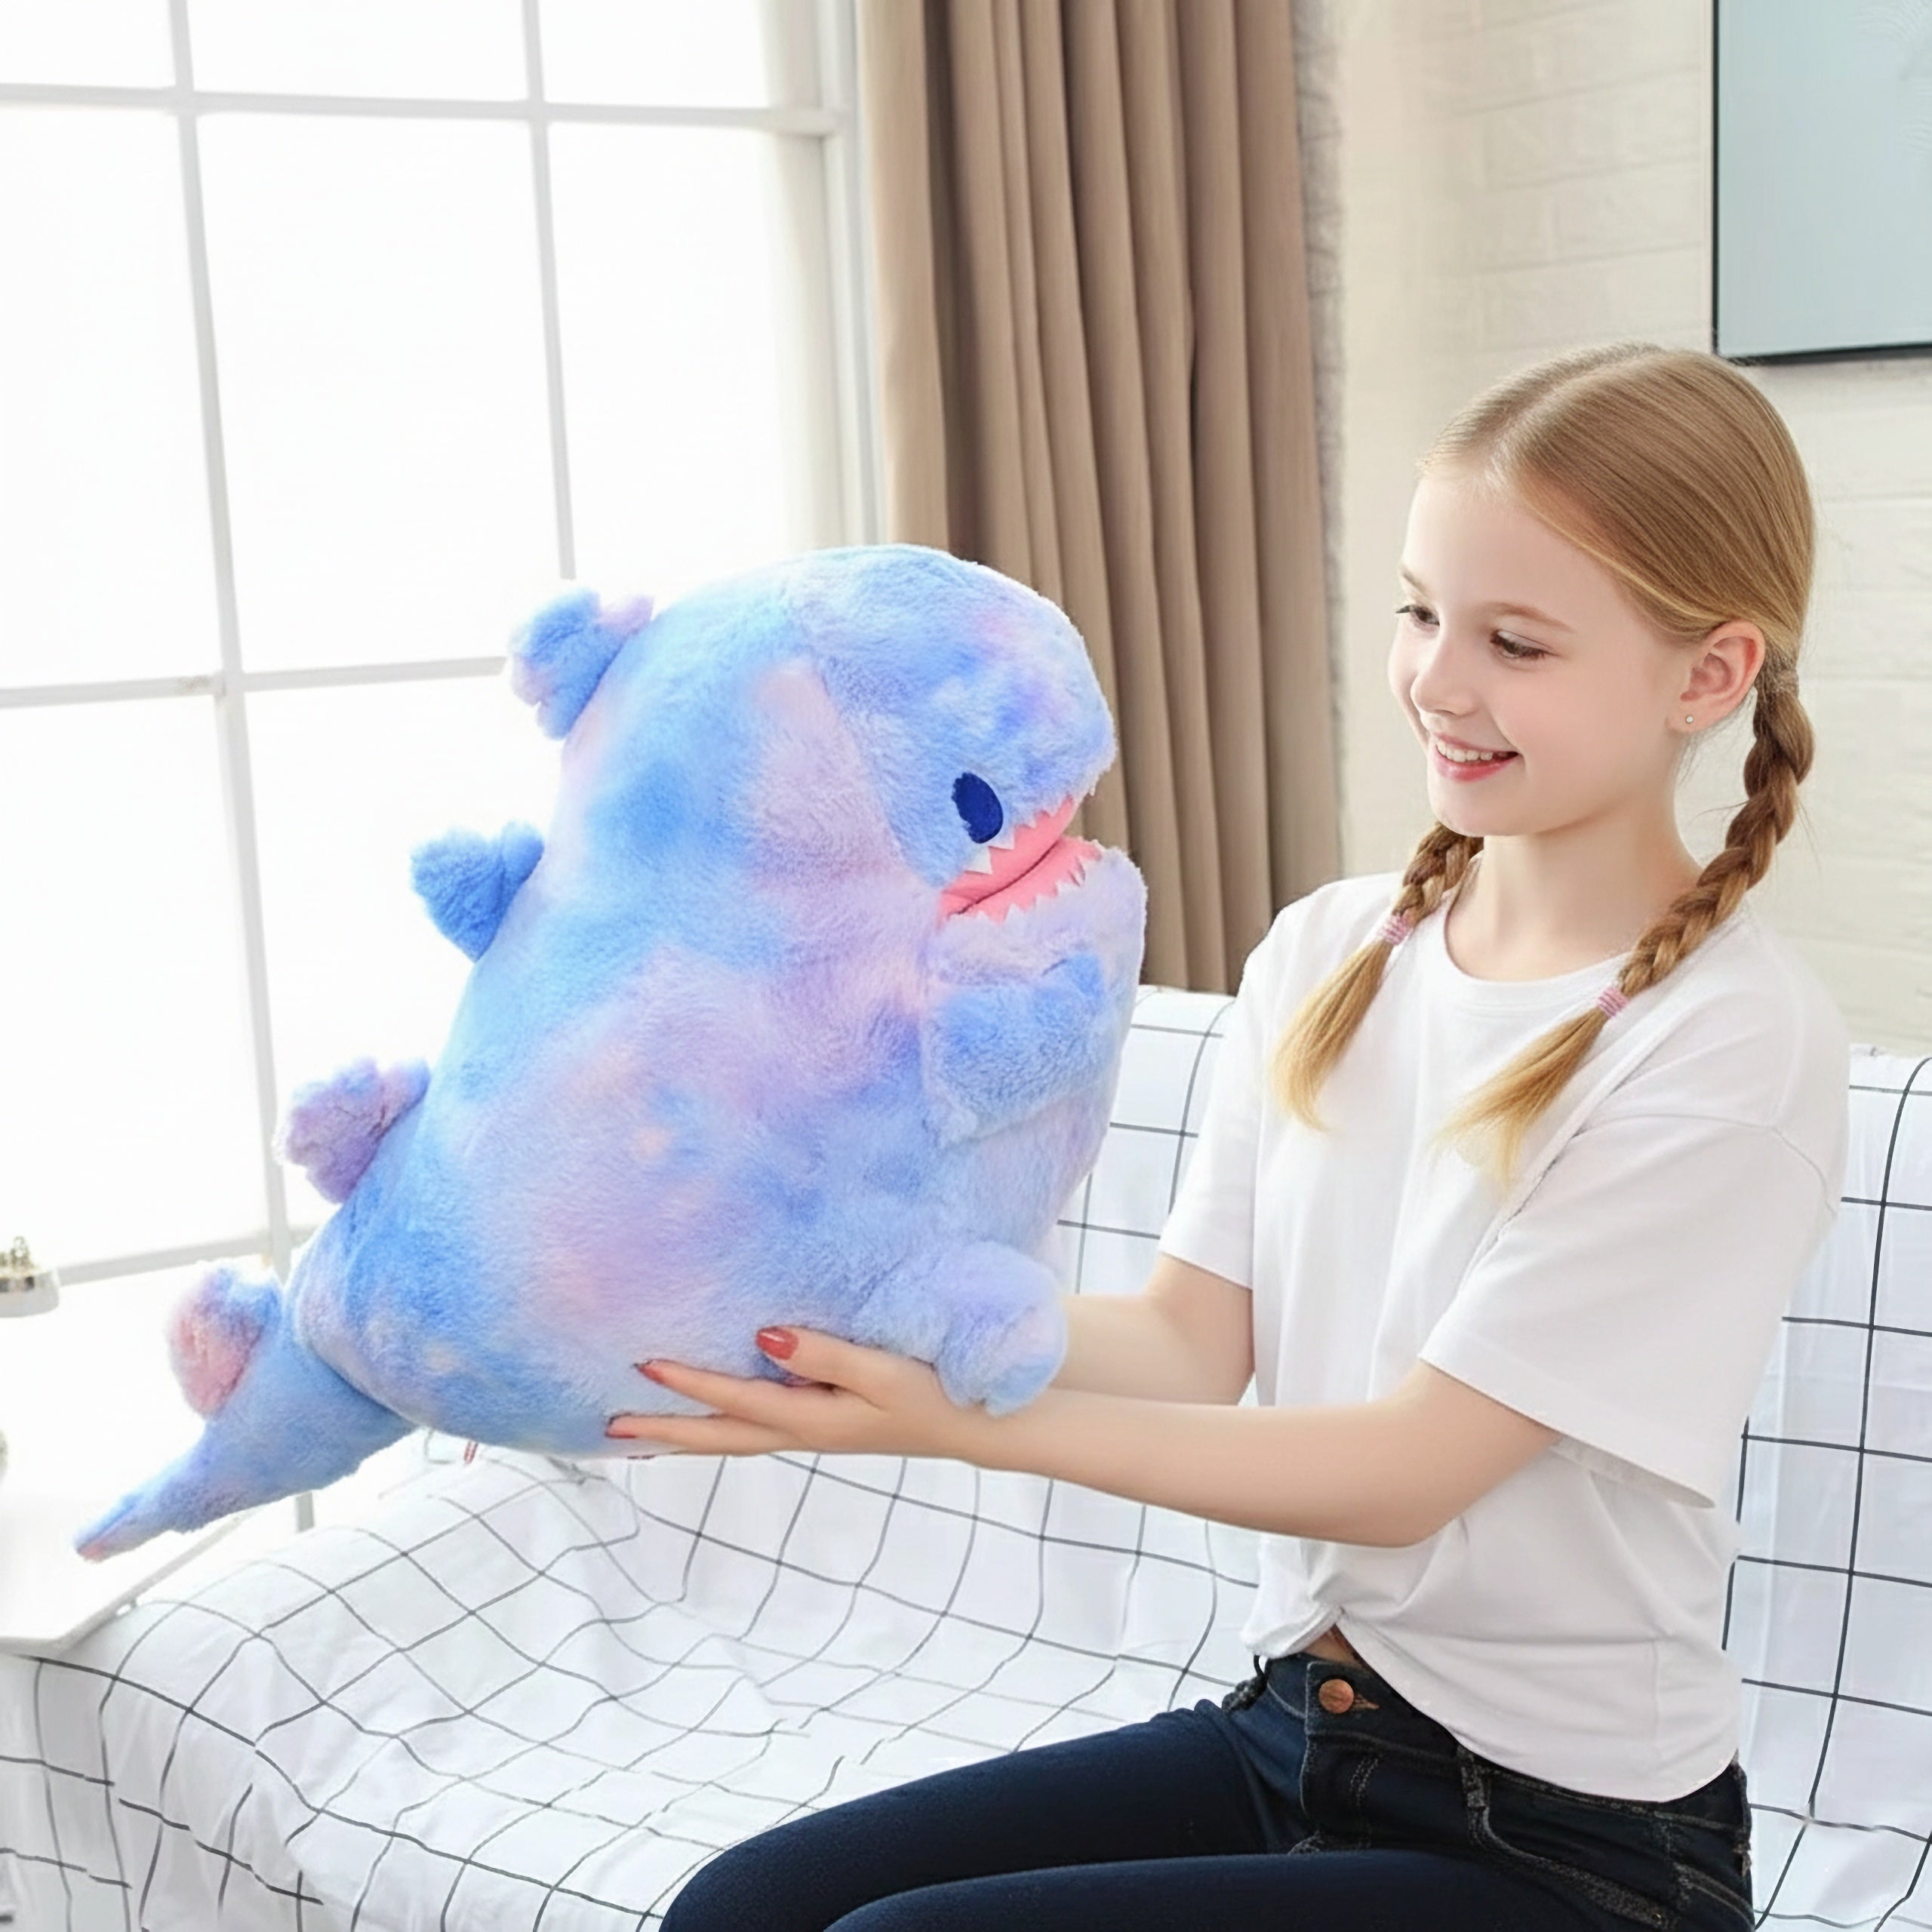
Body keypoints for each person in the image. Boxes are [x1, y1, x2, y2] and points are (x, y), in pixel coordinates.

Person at [617, 341, 1850, 1931]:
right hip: (1295, 1741)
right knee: (747, 1907)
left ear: (1705, 672)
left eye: (1515, 641)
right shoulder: (1334, 948)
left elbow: (1403, 1471)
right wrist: (835, 1281)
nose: (1437, 680)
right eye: (1419, 611)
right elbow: (1190, 1342)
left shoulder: (1721, 1041)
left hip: (1565, 1850)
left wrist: (938, 1419)